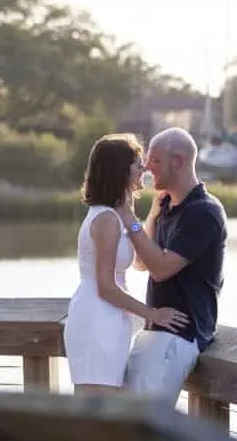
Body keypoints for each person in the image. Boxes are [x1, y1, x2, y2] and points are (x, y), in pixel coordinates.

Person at [64, 133, 189, 395]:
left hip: (110, 320)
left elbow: (141, 263)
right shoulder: (107, 220)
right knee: (96, 412)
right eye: (136, 164)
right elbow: (105, 287)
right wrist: (153, 314)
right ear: (120, 171)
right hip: (96, 320)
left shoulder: (116, 216)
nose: (142, 169)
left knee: (105, 411)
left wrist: (151, 215)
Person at [116, 127, 228, 404]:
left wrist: (128, 216)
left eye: (154, 160)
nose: (145, 167)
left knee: (142, 426)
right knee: (126, 422)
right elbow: (143, 263)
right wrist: (151, 218)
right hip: (155, 331)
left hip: (179, 336)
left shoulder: (203, 212)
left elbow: (162, 269)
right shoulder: (167, 206)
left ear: (177, 161)